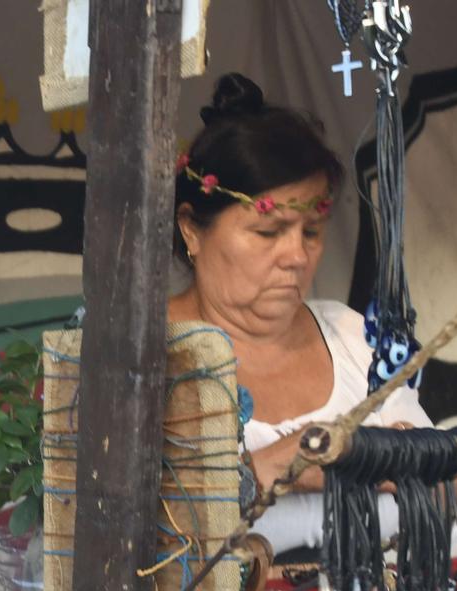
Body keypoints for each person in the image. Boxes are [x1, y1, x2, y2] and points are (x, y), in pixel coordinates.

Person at [168, 73, 432, 558]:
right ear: (192, 230)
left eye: (311, 231)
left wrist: (418, 461)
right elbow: (132, 531)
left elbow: (444, 488)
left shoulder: (356, 339)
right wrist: (281, 463)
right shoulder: (140, 357)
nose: (297, 255)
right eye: (269, 231)